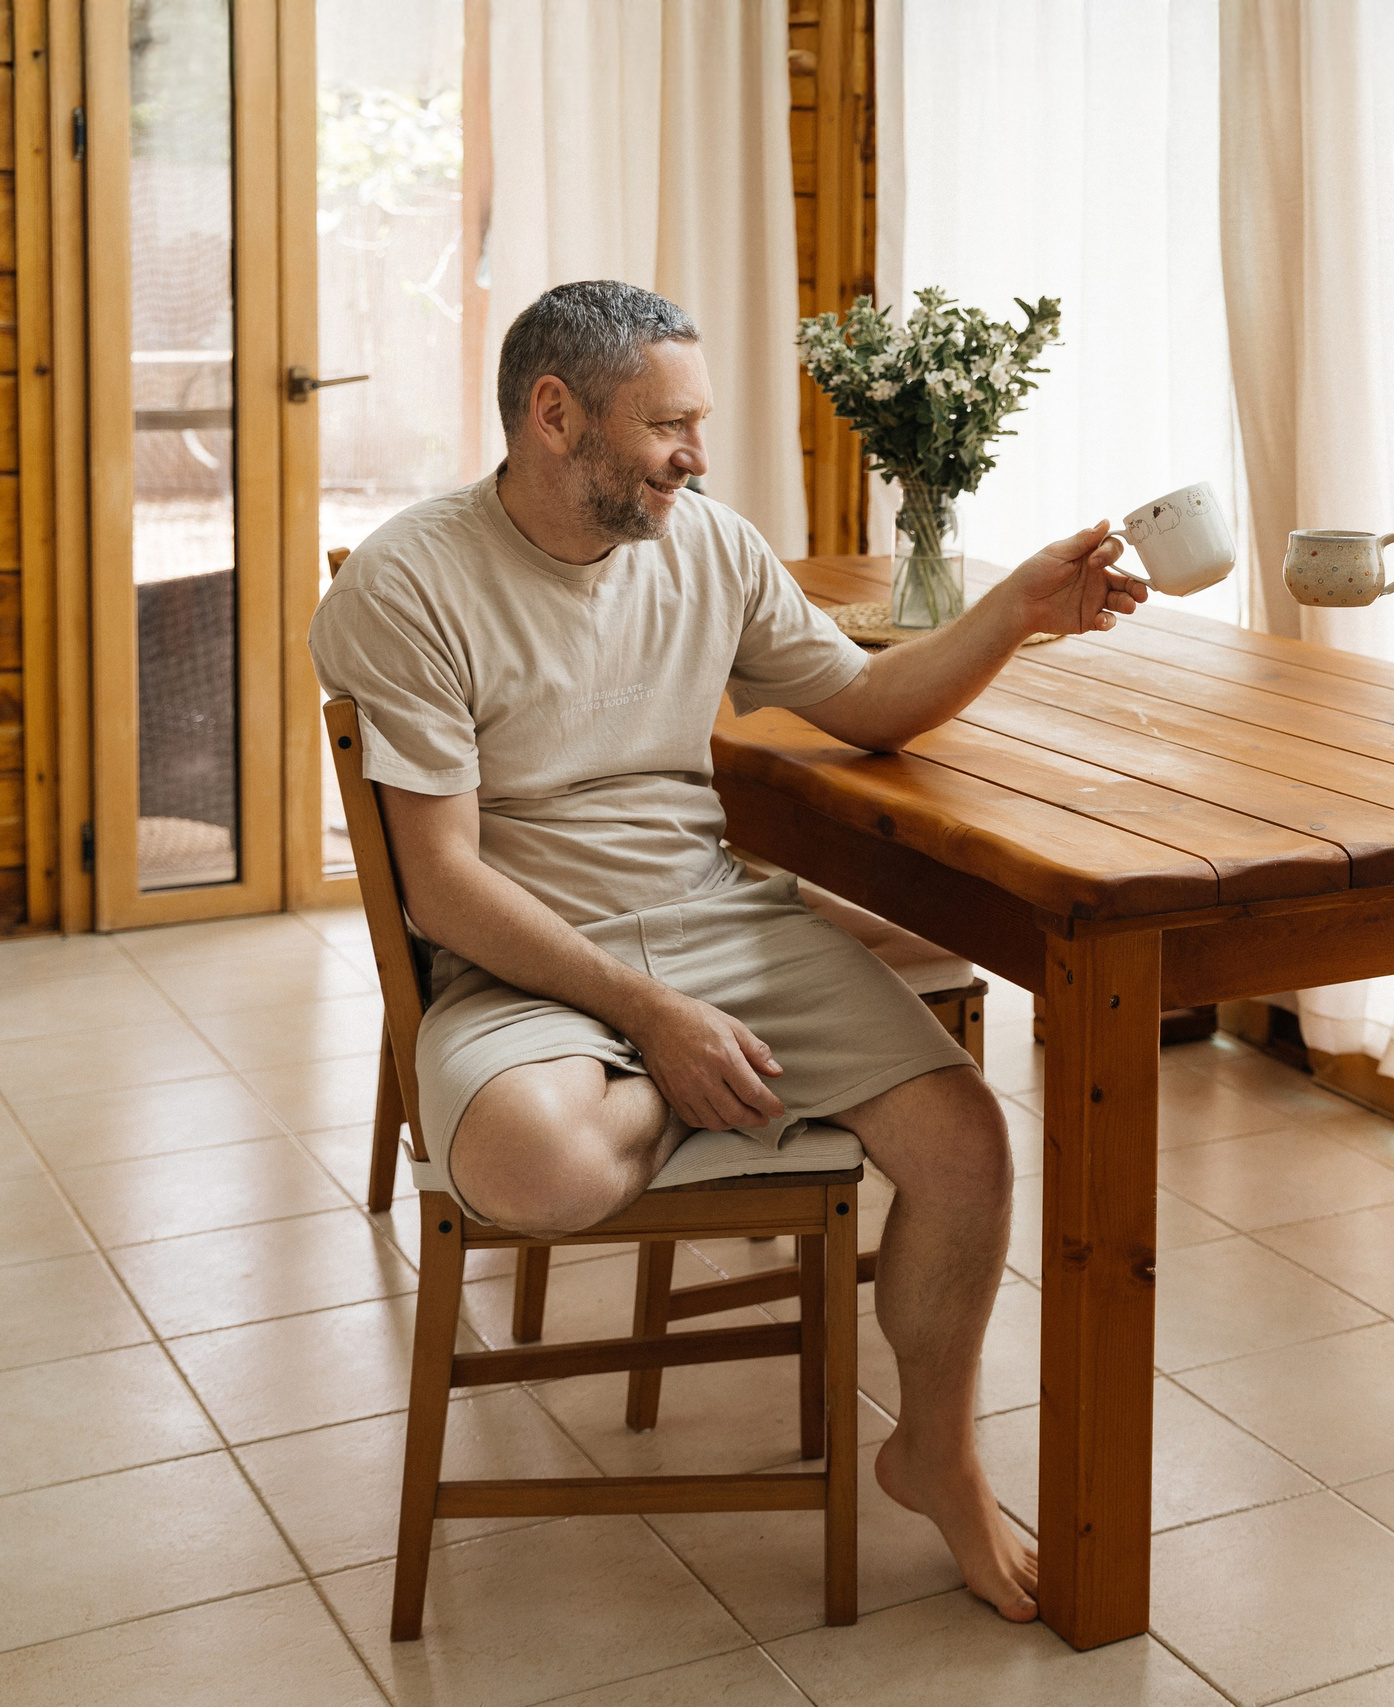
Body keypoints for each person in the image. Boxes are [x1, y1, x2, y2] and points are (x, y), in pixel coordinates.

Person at [309, 279, 1145, 1624]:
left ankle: (936, 1446)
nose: (698, 454)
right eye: (670, 424)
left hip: (715, 917)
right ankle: (691, 1076)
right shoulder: (414, 580)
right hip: (522, 953)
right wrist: (654, 1017)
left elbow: (867, 703)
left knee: (964, 1142)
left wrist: (1017, 615)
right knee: (528, 1159)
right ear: (554, 413)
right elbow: (447, 883)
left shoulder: (709, 544)